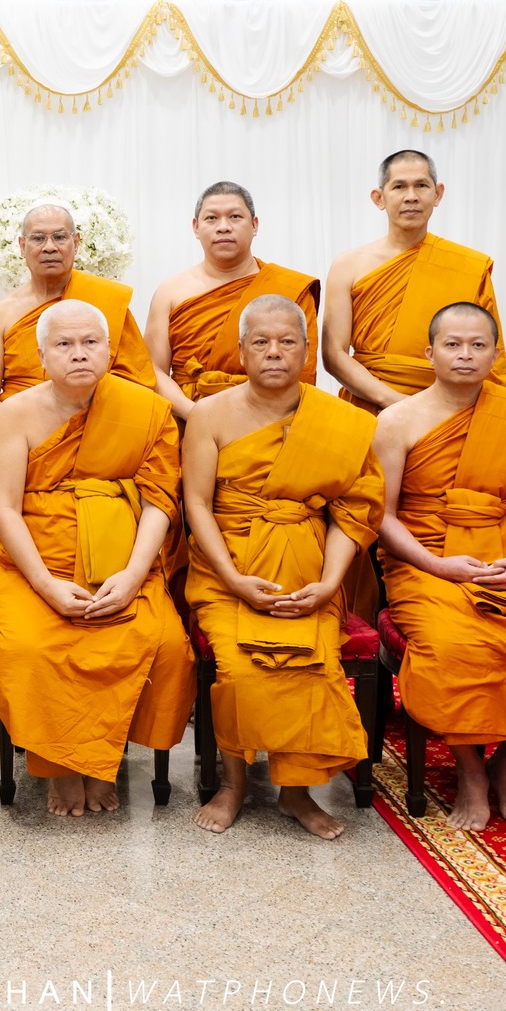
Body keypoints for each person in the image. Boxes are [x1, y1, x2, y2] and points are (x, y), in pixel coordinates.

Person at [373, 302, 506, 831]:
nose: (466, 355)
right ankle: (471, 772)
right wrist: (436, 564)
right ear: (430, 353)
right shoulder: (396, 421)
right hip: (424, 563)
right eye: (452, 344)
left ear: (497, 353)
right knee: (453, 648)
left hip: (504, 559)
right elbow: (379, 517)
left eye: (478, 345)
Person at [0, 300, 194, 816]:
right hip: (32, 567)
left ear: (111, 349)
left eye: (90, 343)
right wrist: (48, 586)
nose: (79, 354)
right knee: (26, 650)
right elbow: (5, 508)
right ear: (41, 355)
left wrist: (134, 575)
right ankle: (59, 768)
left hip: (123, 566)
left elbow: (160, 501)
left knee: (165, 646)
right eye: (64, 345)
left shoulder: (146, 410)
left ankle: (105, 757)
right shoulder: (16, 413)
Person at [181, 295, 382, 839]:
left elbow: (353, 511)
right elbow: (197, 504)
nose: (274, 352)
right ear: (242, 351)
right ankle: (234, 783)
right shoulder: (209, 415)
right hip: (228, 569)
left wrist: (328, 584)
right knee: (241, 670)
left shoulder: (337, 421)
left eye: (287, 342)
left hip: (308, 569)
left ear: (306, 350)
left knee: (314, 664)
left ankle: (297, 793)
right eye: (261, 343)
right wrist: (233, 579)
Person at [323, 150, 506, 411]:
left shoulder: (467, 266)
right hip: (369, 406)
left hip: (448, 410)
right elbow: (334, 355)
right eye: (399, 186)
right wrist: (395, 403)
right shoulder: (348, 266)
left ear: (437, 194)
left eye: (421, 185)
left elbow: (489, 355)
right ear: (379, 198)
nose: (411, 196)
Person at [0, 200, 155, 427]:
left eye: (59, 237)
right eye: (38, 238)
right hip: (22, 441)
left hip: (99, 438)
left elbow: (138, 382)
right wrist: (22, 436)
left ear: (75, 242)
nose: (49, 247)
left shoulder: (104, 300)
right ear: (22, 245)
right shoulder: (0, 315)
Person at [146, 182, 320, 420]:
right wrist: (199, 416)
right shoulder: (170, 292)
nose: (223, 227)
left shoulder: (289, 288)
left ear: (254, 225)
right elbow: (154, 371)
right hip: (191, 420)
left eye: (235, 216)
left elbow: (301, 370)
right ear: (196, 227)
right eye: (212, 218)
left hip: (273, 419)